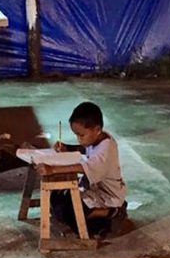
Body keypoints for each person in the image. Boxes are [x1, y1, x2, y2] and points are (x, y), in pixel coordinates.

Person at [36, 101, 127, 238]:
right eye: (76, 135)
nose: (79, 139)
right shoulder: (97, 138)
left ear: (97, 130)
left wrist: (52, 169)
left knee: (74, 218)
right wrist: (68, 147)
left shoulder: (106, 149)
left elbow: (83, 167)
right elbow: (86, 148)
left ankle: (112, 212)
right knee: (55, 198)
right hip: (94, 191)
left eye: (81, 135)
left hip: (108, 197)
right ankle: (97, 213)